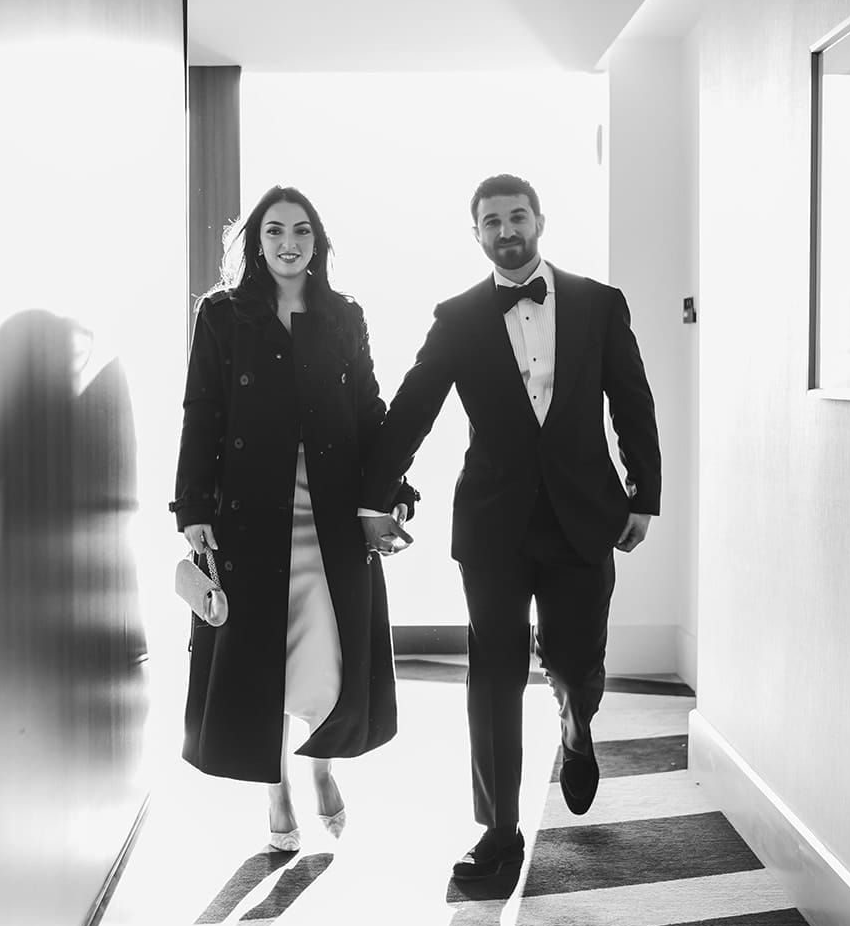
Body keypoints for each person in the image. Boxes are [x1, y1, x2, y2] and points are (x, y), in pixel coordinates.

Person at [360, 173, 660, 879]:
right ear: (477, 234)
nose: (505, 230)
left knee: (575, 657)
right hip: (494, 524)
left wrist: (642, 494)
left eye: (516, 215)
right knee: (492, 672)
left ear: (539, 220)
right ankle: (499, 829)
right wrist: (374, 494)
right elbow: (413, 408)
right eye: (490, 221)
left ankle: (575, 721)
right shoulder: (458, 317)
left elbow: (634, 401)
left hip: (583, 515)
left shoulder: (597, 303)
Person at [171, 185, 415, 851]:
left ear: (318, 241)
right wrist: (193, 506)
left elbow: (368, 407)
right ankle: (275, 785)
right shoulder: (222, 315)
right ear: (255, 241)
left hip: (332, 511)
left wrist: (391, 487)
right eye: (275, 229)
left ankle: (322, 768)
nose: (288, 241)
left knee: (327, 652)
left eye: (301, 230)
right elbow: (203, 411)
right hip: (252, 511)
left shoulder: (342, 315)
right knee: (263, 658)